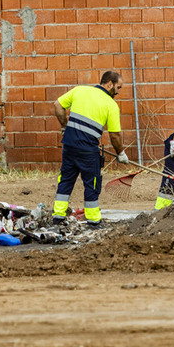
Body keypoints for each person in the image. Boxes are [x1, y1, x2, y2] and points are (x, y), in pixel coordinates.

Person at [53, 70, 128, 228]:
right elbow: (115, 135)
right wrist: (120, 153)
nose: (119, 91)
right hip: (88, 150)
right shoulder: (111, 105)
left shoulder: (80, 90)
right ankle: (94, 221)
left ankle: (58, 217)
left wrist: (65, 125)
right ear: (109, 84)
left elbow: (58, 105)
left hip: (69, 145)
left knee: (66, 180)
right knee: (92, 183)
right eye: (118, 87)